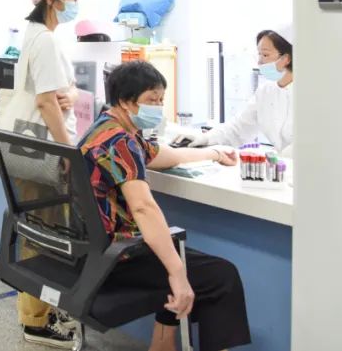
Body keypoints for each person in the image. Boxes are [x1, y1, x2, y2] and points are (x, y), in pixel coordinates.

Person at [78, 61, 250, 351]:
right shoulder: (120, 142)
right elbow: (143, 208)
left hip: (92, 251)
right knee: (220, 275)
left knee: (176, 254)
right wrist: (177, 273)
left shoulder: (106, 128)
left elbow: (163, 155)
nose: (158, 107)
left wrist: (214, 153)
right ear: (125, 101)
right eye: (151, 100)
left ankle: (163, 345)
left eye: (160, 99)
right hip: (114, 259)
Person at [13, 0, 88, 347]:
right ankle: (36, 322)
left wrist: (71, 94)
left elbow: (60, 91)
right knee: (44, 234)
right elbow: (46, 101)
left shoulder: (35, 35)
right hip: (44, 151)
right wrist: (67, 151)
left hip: (31, 148)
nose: (75, 2)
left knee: (39, 229)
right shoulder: (44, 40)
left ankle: (40, 310)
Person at [175, 28, 293, 154]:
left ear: (286, 58)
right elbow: (238, 129)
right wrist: (206, 138)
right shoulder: (266, 92)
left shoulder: (306, 92)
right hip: (284, 164)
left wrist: (285, 157)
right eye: (258, 54)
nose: (259, 62)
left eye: (265, 55)